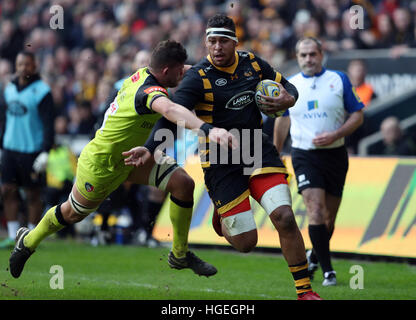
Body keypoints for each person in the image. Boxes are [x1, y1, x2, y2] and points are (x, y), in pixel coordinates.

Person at [9, 40, 238, 279]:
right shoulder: (150, 92)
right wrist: (208, 129)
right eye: (180, 70)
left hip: (132, 157)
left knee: (183, 184)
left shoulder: (144, 74)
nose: (184, 73)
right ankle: (28, 241)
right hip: (101, 163)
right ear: (166, 71)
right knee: (72, 213)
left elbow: (189, 69)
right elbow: (170, 110)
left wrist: (221, 63)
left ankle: (180, 255)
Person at [143, 14, 321, 300]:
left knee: (285, 217)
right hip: (220, 160)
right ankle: (222, 214)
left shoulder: (253, 63)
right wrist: (150, 149)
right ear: (206, 43)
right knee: (245, 243)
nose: (216, 47)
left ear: (234, 42)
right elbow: (171, 116)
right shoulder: (196, 77)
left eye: (223, 41)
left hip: (255, 148)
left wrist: (288, 99)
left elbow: (290, 88)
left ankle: (305, 292)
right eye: (211, 41)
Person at [274, 37, 364, 286]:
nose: (308, 59)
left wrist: (336, 134)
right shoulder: (290, 85)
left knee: (328, 220)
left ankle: (314, 256)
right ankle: (328, 271)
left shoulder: (338, 79)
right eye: (303, 55)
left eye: (312, 54)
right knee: (315, 210)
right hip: (304, 155)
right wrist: (277, 152)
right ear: (297, 57)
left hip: (335, 154)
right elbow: (283, 119)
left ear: (321, 54)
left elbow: (357, 115)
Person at [0, 51, 55, 249]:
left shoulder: (42, 91)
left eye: (27, 64)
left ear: (34, 66)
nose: (23, 68)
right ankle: (14, 235)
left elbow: (49, 124)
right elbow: (4, 119)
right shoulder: (8, 89)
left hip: (32, 150)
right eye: (20, 64)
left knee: (33, 194)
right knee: (8, 191)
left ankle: (31, 236)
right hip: (10, 149)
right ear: (16, 65)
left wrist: (45, 151)